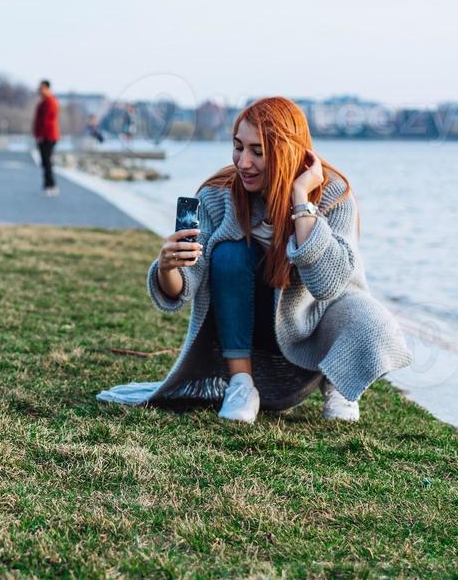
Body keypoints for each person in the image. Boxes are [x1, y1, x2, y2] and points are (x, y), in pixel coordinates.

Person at [98, 97, 412, 424]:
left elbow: (327, 285)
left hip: (309, 341)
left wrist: (301, 199)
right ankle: (241, 385)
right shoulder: (218, 195)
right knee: (230, 252)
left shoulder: (333, 195)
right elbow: (183, 289)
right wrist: (167, 267)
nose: (243, 162)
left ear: (287, 152)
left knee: (372, 318)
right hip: (251, 338)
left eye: (257, 152)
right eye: (238, 147)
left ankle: (339, 385)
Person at [33, 79, 60, 197]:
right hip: (45, 135)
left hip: (48, 135)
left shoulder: (50, 102)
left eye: (41, 88)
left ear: (47, 88)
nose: (39, 90)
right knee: (44, 161)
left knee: (47, 161)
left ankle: (51, 184)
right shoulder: (44, 101)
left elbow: (46, 121)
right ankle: (47, 184)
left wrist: (41, 135)